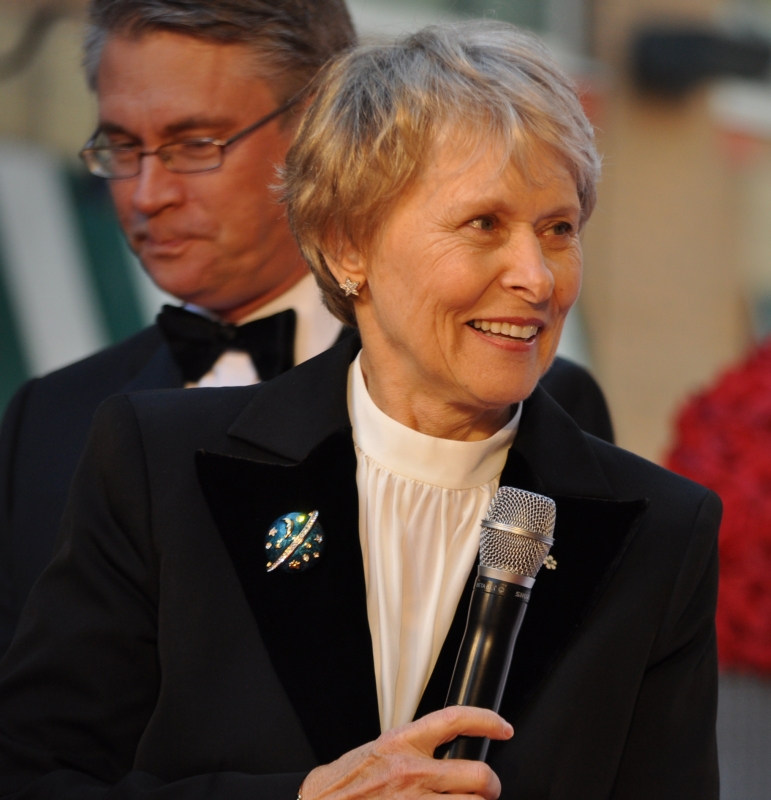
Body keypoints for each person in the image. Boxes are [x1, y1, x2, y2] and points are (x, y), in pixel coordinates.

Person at [0, 21, 700, 800]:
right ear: (346, 246)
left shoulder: (657, 528)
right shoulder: (154, 463)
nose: (536, 277)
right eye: (483, 224)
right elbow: (34, 777)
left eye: (558, 228)